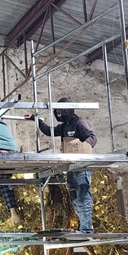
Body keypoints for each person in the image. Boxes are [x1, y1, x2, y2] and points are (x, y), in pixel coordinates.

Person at [25, 97, 97, 233]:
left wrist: (82, 147)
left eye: (60, 110)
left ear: (67, 110)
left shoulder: (80, 123)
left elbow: (92, 138)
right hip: (71, 167)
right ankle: (83, 227)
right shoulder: (64, 126)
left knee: (83, 197)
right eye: (56, 111)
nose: (58, 113)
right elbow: (49, 131)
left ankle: (87, 230)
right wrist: (37, 120)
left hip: (82, 167)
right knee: (75, 199)